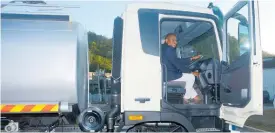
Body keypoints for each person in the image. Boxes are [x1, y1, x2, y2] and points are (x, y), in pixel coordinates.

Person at [162, 33, 201, 104]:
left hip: (169, 74)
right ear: (167, 40)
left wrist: (191, 58)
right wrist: (191, 72)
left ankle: (196, 98)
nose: (175, 42)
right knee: (191, 77)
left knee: (189, 85)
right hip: (171, 76)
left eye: (176, 40)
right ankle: (185, 98)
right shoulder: (169, 50)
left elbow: (177, 60)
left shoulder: (166, 49)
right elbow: (178, 64)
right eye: (173, 40)